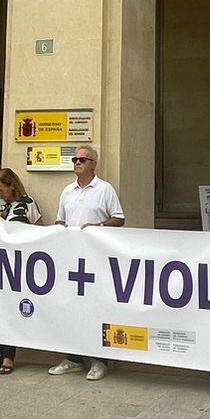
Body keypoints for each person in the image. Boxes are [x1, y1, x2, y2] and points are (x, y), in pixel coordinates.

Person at [50, 146, 123, 380]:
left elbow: (119, 218)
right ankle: (72, 357)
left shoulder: (105, 189)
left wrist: (98, 227)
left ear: (93, 164)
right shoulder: (67, 191)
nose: (77, 162)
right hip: (71, 258)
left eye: (83, 159)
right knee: (70, 306)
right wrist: (59, 228)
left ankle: (98, 360)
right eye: (75, 159)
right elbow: (60, 219)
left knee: (96, 306)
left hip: (96, 259)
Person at [0, 167, 39, 375]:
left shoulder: (27, 203)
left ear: (12, 187)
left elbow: (39, 229)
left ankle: (8, 356)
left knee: (13, 307)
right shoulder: (0, 205)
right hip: (0, 262)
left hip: (20, 263)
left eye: (2, 190)